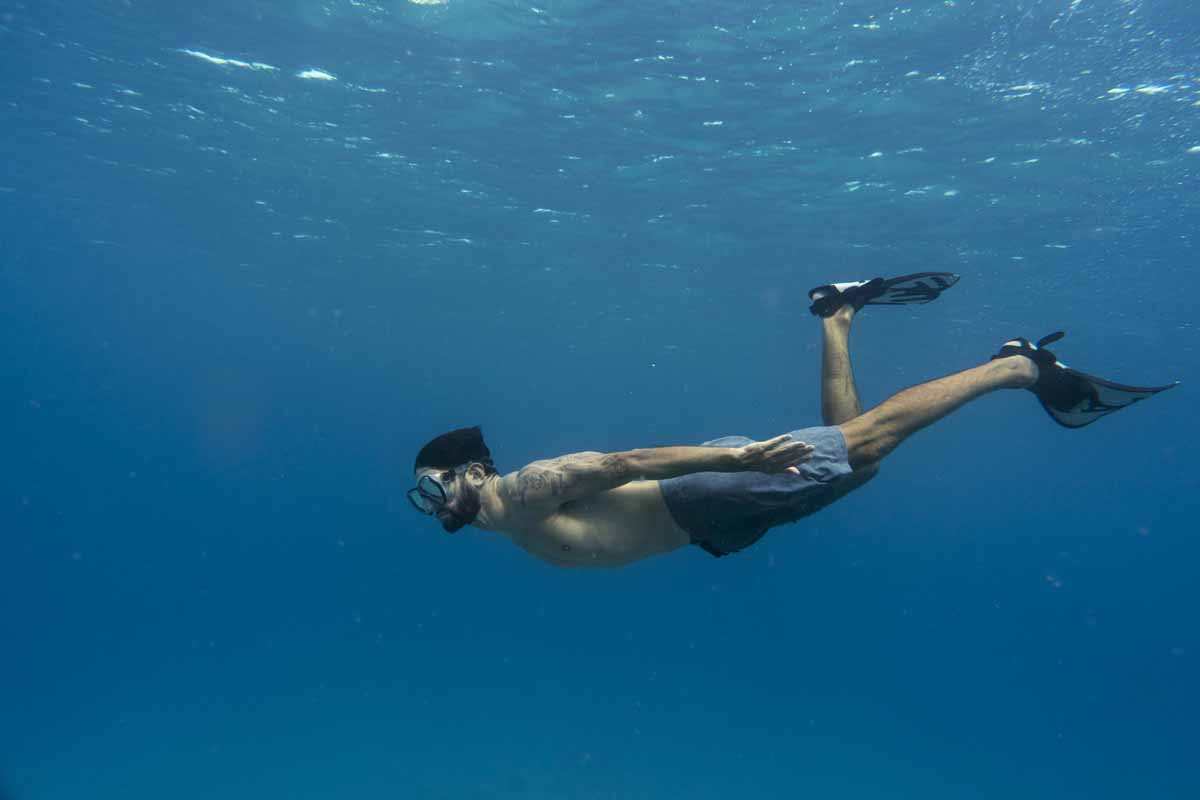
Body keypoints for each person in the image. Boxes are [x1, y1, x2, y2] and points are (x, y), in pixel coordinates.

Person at [407, 274, 1175, 567]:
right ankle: (836, 314)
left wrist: (738, 467)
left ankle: (1017, 366)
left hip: (701, 496)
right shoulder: (509, 519)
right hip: (705, 520)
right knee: (860, 460)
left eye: (433, 488)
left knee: (865, 446)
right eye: (426, 497)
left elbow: (622, 464)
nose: (435, 505)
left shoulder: (532, 487)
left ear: (474, 470)